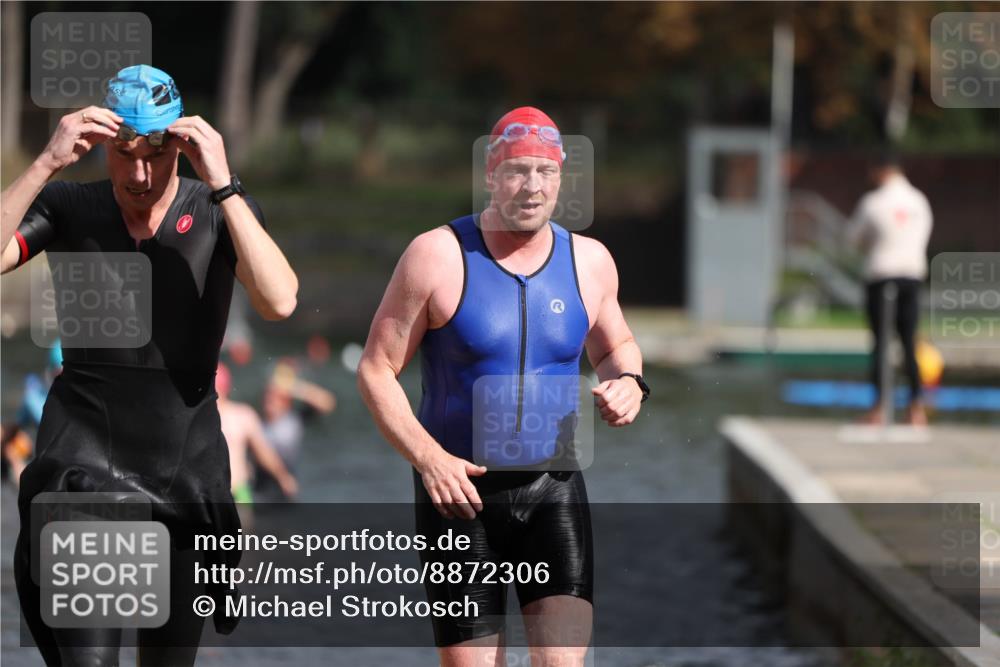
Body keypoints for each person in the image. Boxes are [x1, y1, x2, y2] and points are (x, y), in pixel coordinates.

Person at [1, 65, 298, 666]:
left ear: (182, 148)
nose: (139, 175)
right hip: (84, 468)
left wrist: (224, 183)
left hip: (183, 472)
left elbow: (279, 300)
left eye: (155, 157)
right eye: (124, 155)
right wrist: (45, 163)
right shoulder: (68, 205)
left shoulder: (218, 212)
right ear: (104, 146)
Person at [358, 106, 647, 667]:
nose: (532, 186)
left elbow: (617, 348)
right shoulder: (436, 255)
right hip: (459, 497)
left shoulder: (590, 261)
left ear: (562, 177)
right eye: (517, 170)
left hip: (554, 488)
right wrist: (428, 458)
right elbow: (375, 370)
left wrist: (630, 382)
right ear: (491, 175)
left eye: (545, 171)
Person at [846, 153, 933, 426]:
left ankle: (879, 408)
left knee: (881, 343)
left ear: (880, 171)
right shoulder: (919, 201)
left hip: (882, 276)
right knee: (908, 342)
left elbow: (853, 239)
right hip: (911, 275)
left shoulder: (873, 202)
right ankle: (916, 408)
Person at [215, 363, 298, 523]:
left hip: (235, 492)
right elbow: (263, 453)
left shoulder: (241, 415)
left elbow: (264, 452)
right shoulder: (240, 415)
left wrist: (283, 477)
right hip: (220, 492)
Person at [253, 357, 336, 502]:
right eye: (267, 396)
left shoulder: (295, 420)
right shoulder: (254, 422)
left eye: (274, 397)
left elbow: (327, 403)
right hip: (259, 490)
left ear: (286, 401)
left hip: (286, 489)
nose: (268, 400)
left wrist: (293, 386)